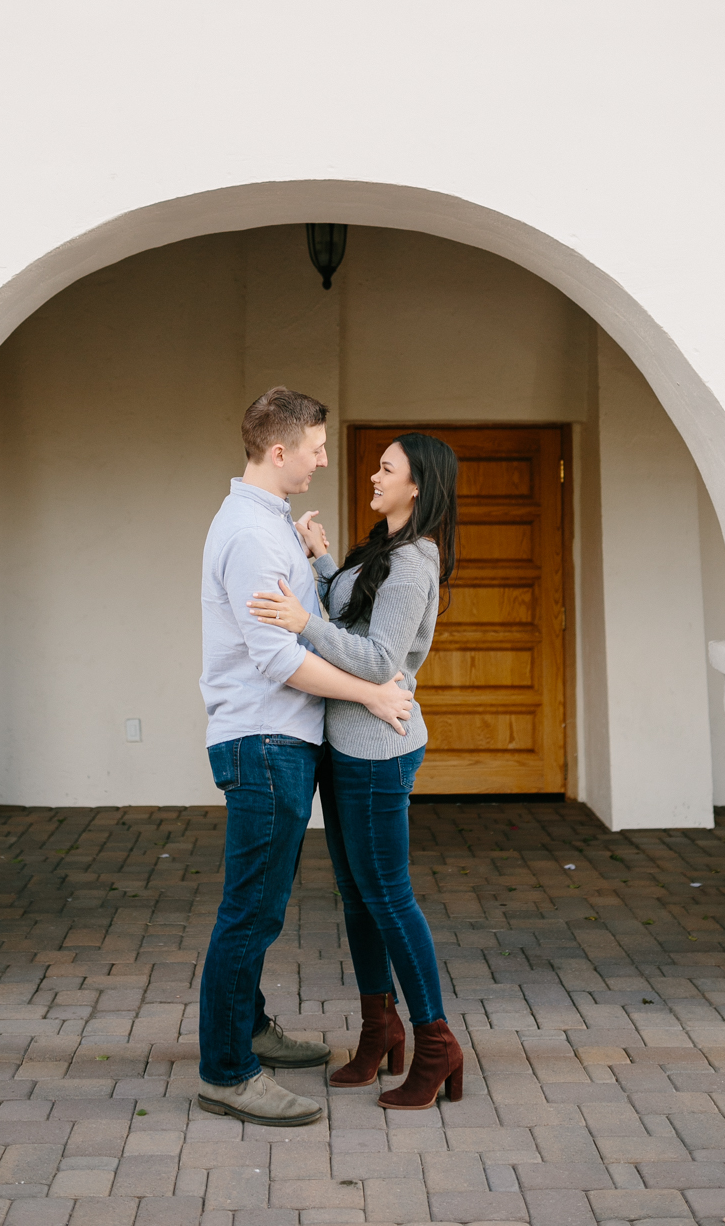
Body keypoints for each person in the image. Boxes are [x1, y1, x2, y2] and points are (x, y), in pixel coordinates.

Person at [198, 387, 415, 1127]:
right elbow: (277, 658)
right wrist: (375, 693)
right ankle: (228, 1072)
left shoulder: (274, 527)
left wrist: (317, 561)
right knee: (249, 913)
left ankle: (250, 1029)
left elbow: (311, 621)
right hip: (264, 741)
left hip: (281, 741)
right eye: (317, 448)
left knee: (260, 906)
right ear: (280, 450)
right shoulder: (255, 536)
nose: (326, 458)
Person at [248, 431, 464, 1110]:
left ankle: (435, 1045)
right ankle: (380, 1029)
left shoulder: (414, 562)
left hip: (377, 749)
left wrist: (300, 620)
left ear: (419, 485)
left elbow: (376, 661)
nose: (372, 474)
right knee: (359, 895)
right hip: (348, 744)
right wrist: (321, 565)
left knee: (389, 897)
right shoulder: (385, 549)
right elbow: (355, 617)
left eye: (387, 468)